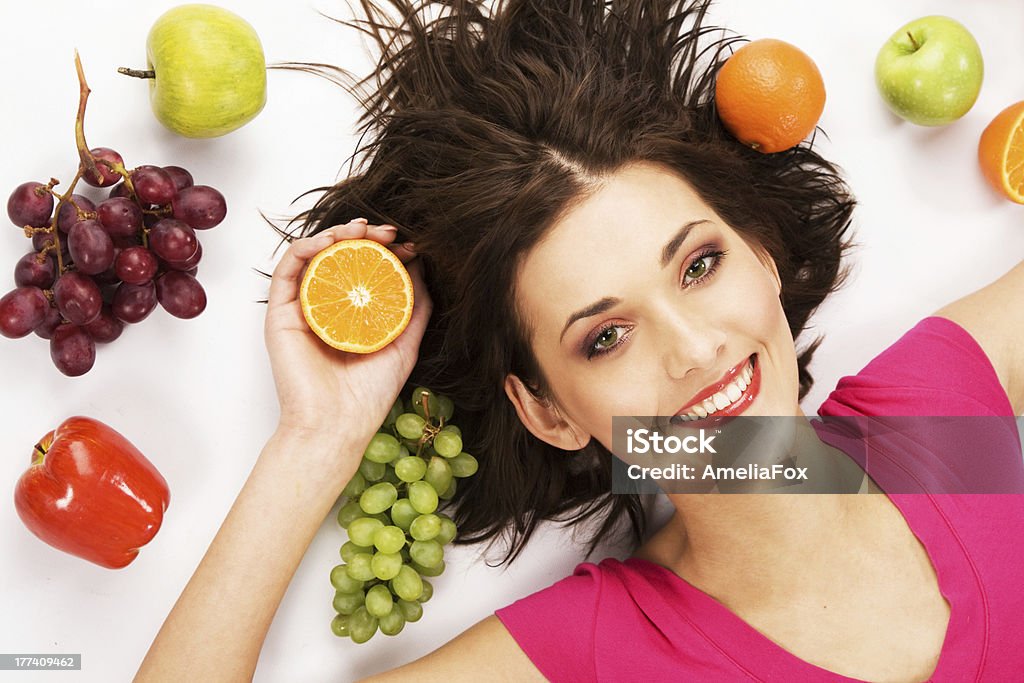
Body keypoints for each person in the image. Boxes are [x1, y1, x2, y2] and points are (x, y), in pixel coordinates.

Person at [135, 0, 1024, 680]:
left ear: (759, 251)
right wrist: (315, 440)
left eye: (700, 265)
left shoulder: (941, 422)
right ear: (550, 411)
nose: (693, 348)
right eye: (605, 337)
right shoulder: (601, 652)